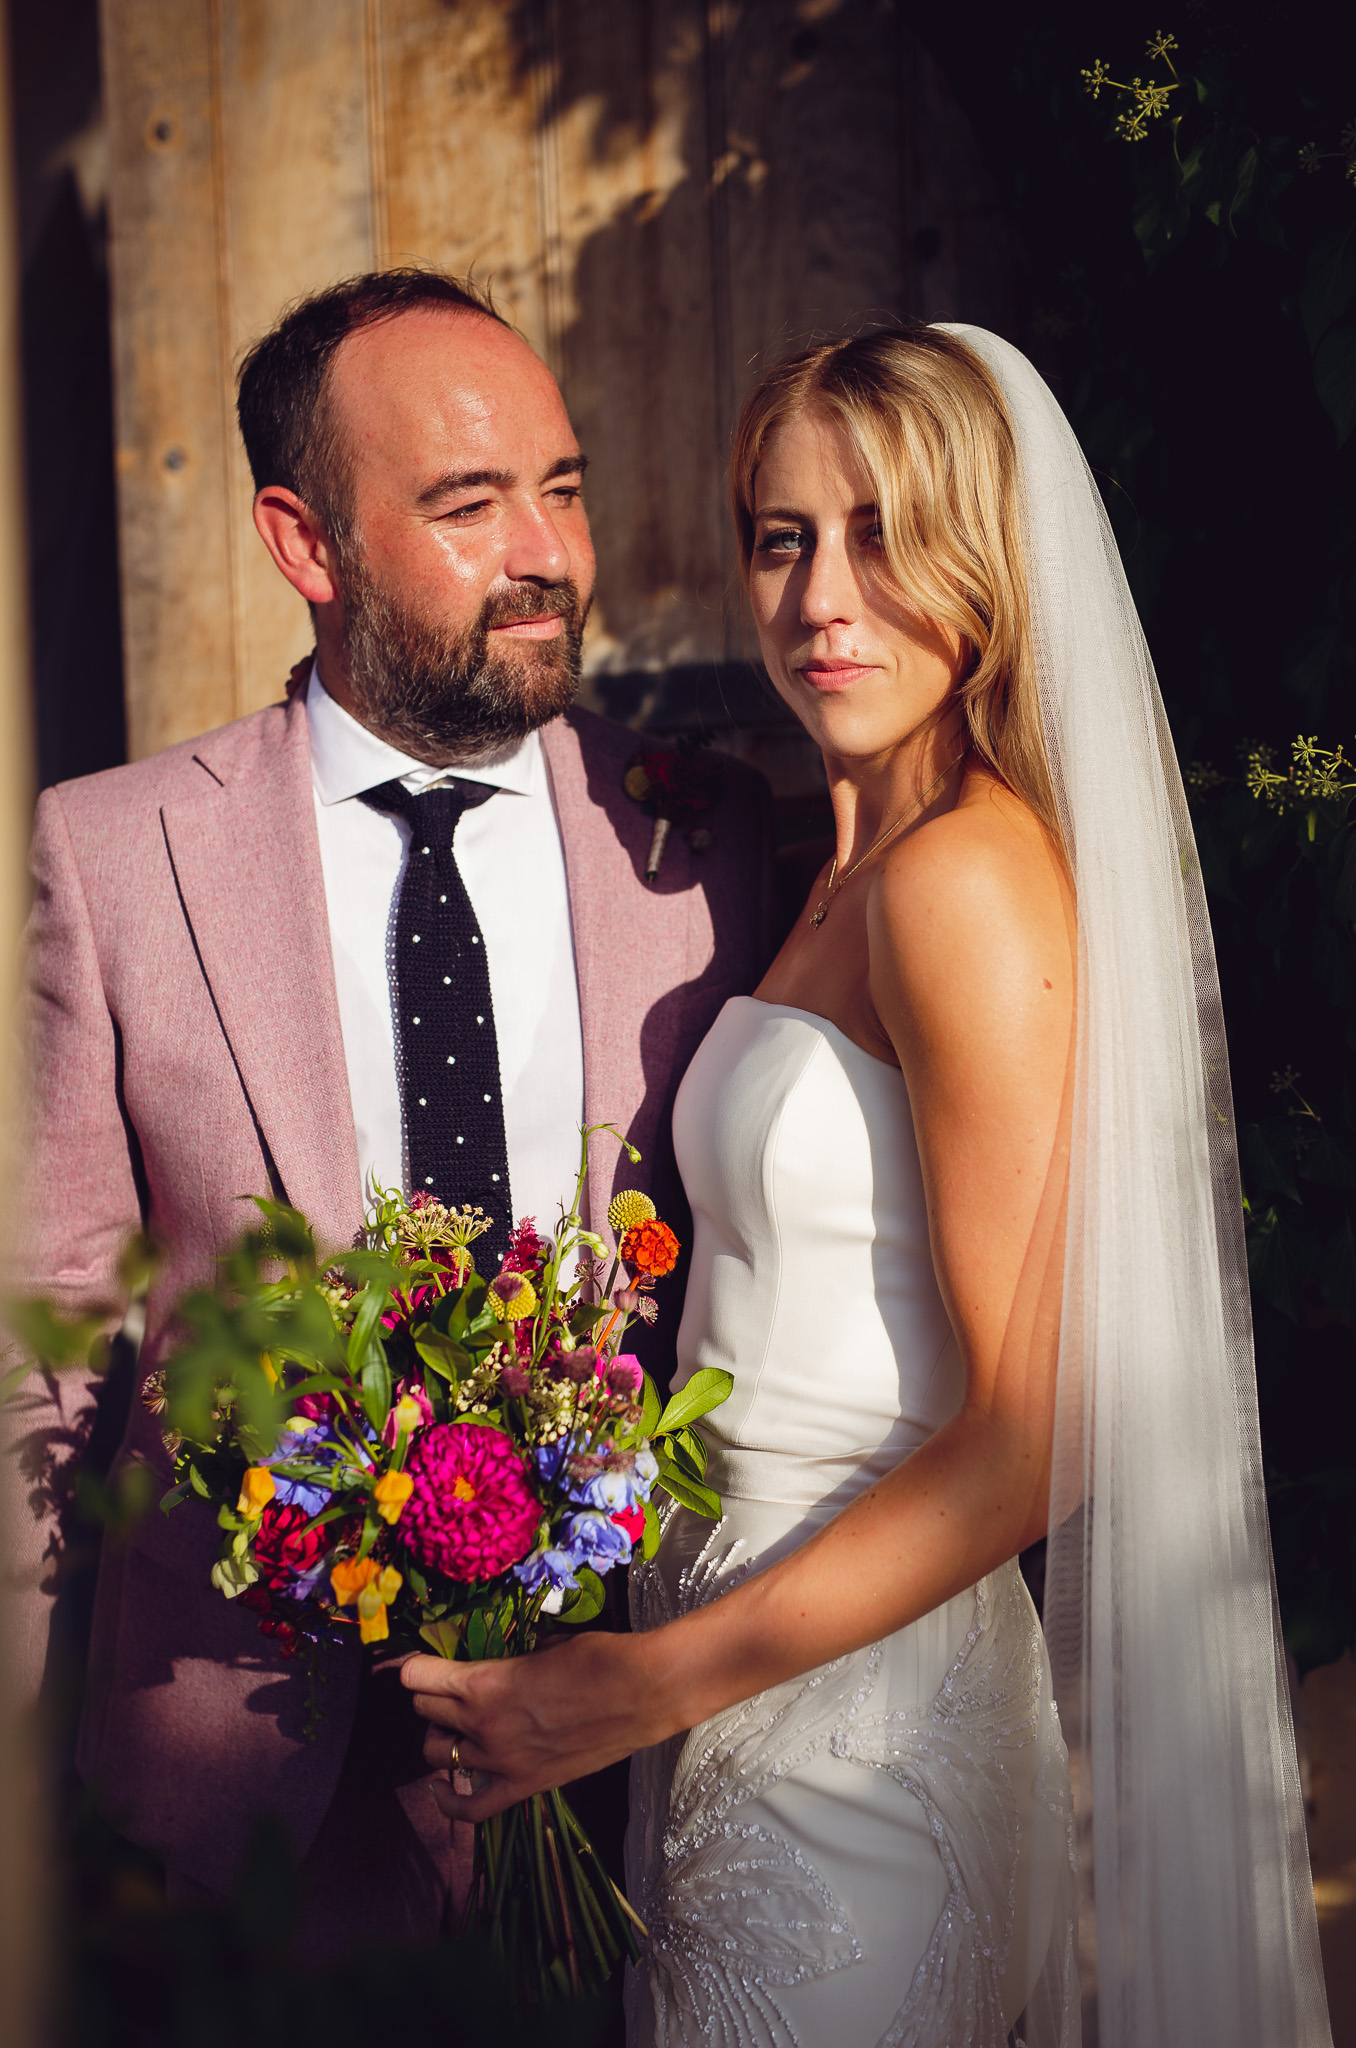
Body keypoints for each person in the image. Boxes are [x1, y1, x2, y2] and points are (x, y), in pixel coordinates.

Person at [403, 325, 1333, 2047]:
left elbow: (1037, 1430)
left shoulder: (961, 882)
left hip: (854, 1711)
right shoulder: (838, 866)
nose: (824, 596)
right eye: (782, 536)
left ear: (986, 551)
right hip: (726, 1665)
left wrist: (628, 1689)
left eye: (885, 532)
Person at [2, 268, 772, 1953]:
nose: (547, 552)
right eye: (467, 503)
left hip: (648, 1753)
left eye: (560, 488)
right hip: (233, 1779)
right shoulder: (115, 855)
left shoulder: (710, 835)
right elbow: (55, 1346)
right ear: (305, 543)